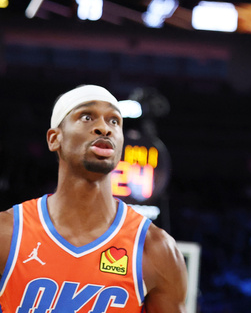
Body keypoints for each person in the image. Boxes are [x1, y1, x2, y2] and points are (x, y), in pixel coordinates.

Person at [0, 85, 188, 313]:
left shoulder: (155, 249)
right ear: (54, 139)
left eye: (114, 121)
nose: (104, 128)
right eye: (87, 117)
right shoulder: (8, 233)